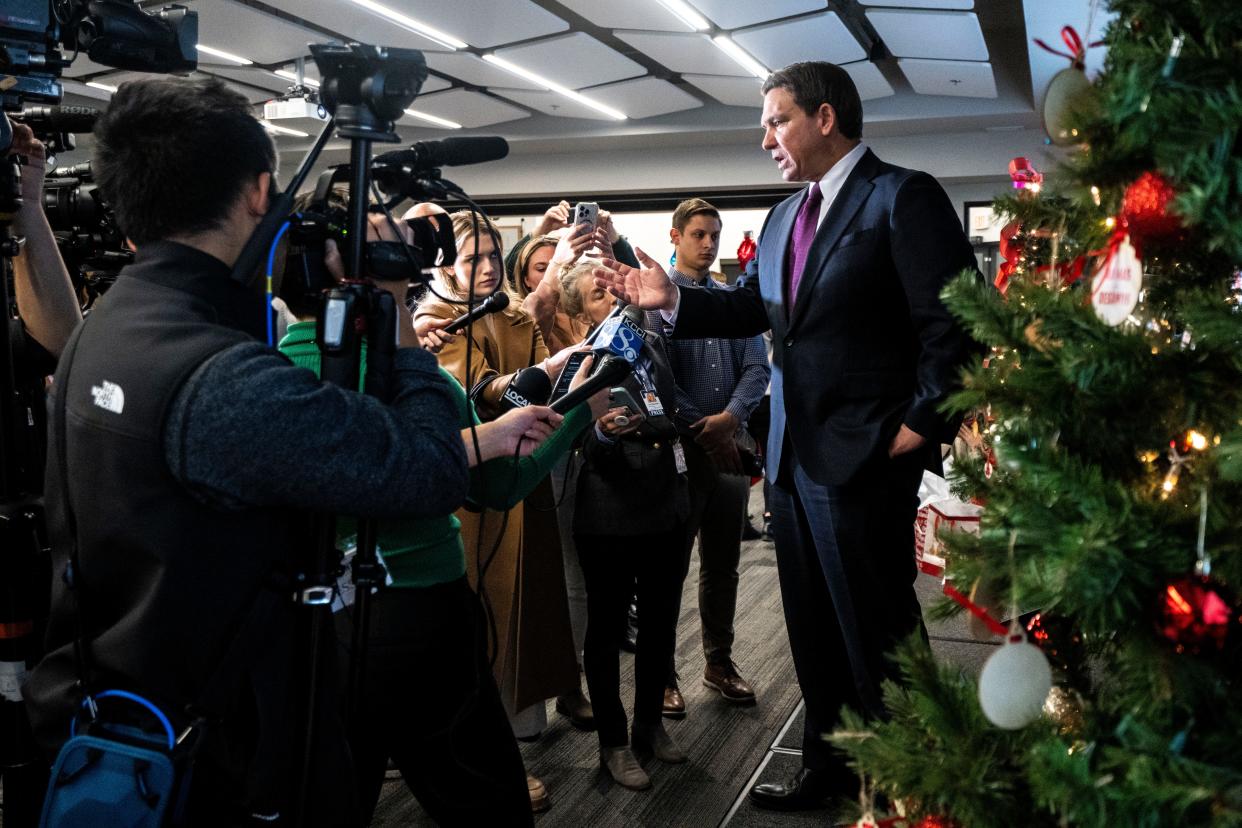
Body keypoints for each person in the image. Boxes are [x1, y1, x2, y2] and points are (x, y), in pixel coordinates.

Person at [22, 77, 489, 826]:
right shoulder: (223, 381)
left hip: (121, 707)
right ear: (258, 190)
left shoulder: (99, 332)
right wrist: (396, 316)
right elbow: (429, 470)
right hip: (226, 759)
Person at [593, 61, 981, 812]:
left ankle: (913, 789)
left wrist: (916, 428)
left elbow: (955, 327)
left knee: (879, 633)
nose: (764, 135)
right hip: (793, 463)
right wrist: (672, 297)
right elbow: (750, 311)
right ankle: (830, 773)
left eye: (776, 120)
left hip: (866, 457)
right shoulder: (782, 219)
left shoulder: (903, 197)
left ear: (825, 118)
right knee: (813, 630)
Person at [273, 208, 606, 824]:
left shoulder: (274, 369)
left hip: (322, 622)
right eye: (394, 244)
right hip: (420, 614)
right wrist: (584, 407)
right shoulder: (412, 374)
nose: (417, 250)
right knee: (489, 805)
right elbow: (499, 484)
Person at [413, 210, 580, 813]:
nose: (485, 268)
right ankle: (485, 762)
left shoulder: (510, 312)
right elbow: (480, 394)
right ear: (444, 266)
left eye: (491, 255)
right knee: (473, 626)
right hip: (466, 492)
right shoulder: (433, 322)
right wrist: (542, 376)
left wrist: (556, 377)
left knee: (517, 614)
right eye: (470, 259)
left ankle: (509, 741)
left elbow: (524, 389)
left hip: (516, 477)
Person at [560, 259, 690, 791]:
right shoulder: (578, 360)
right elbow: (572, 439)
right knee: (608, 631)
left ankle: (648, 726)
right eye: (597, 295)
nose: (611, 300)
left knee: (659, 625)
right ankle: (613, 743)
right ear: (576, 311)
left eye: (613, 290)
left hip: (666, 504)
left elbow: (671, 410)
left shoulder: (650, 343)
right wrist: (606, 435)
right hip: (609, 513)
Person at [658, 198, 770, 718]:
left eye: (714, 236)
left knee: (723, 566)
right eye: (698, 234)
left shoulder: (734, 301)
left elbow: (757, 368)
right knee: (668, 569)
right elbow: (657, 380)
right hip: (678, 453)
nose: (707, 244)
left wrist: (730, 418)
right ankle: (662, 673)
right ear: (675, 236)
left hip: (729, 448)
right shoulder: (657, 302)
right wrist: (705, 429)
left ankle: (718, 663)